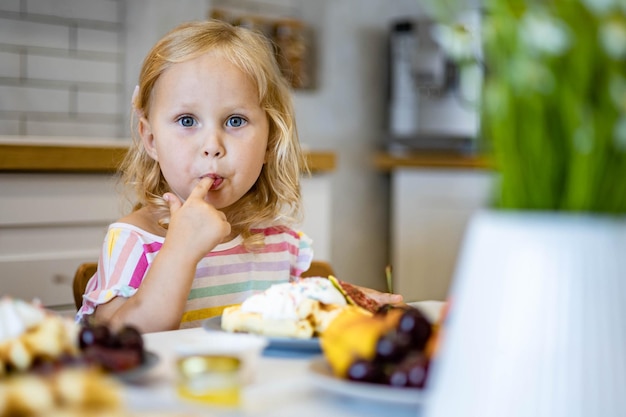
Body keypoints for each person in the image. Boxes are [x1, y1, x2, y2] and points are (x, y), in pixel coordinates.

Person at [76, 20, 402, 333]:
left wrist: (341, 300)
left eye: (234, 121)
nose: (212, 147)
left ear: (270, 142)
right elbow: (117, 342)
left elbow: (288, 316)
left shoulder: (278, 241)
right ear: (151, 140)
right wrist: (179, 250)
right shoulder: (135, 241)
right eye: (187, 121)